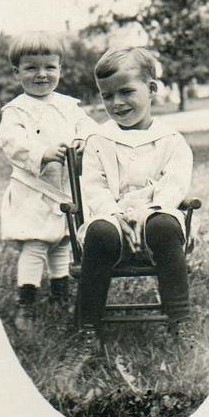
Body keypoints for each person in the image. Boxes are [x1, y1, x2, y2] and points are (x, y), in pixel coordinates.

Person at [65, 47, 199, 375]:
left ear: (152, 89)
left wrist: (151, 210)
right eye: (107, 96)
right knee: (98, 233)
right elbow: (93, 186)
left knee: (165, 226)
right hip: (112, 222)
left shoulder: (170, 140)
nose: (117, 103)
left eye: (127, 92)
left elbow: (175, 184)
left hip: (155, 219)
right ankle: (88, 327)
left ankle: (180, 320)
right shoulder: (100, 139)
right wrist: (113, 214)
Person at [0, 31, 96, 328]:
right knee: (37, 243)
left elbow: (89, 128)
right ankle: (26, 303)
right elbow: (12, 142)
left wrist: (83, 140)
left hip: (65, 188)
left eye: (49, 67)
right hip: (34, 188)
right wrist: (42, 153)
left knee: (63, 241)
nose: (42, 74)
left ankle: (60, 294)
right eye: (31, 68)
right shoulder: (16, 110)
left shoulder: (69, 105)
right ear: (17, 72)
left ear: (60, 69)